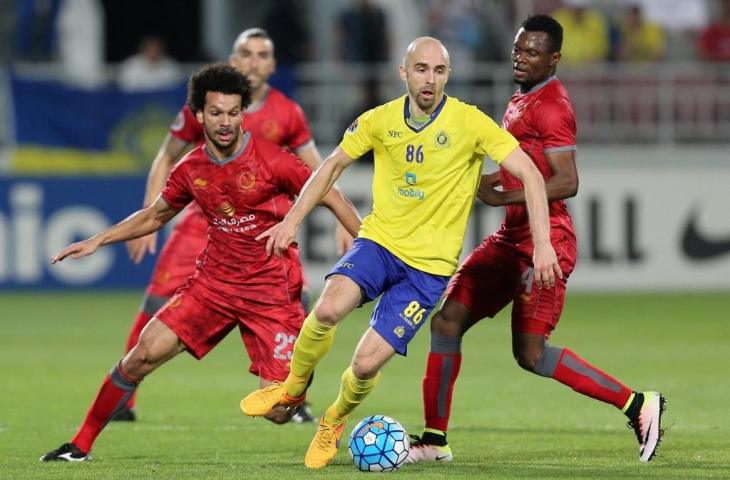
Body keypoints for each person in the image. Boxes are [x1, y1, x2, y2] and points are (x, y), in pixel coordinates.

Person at [240, 36, 562, 469]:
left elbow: (532, 176)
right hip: (380, 243)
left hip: (427, 271)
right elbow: (331, 164)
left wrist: (543, 244)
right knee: (329, 307)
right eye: (422, 69)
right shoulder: (379, 120)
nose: (430, 79)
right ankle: (293, 389)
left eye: (439, 71)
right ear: (404, 73)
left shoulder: (471, 123)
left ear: (448, 76)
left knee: (366, 362)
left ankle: (333, 420)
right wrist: (292, 221)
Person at [39, 63, 362, 462]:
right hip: (213, 286)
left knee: (280, 412)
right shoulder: (191, 169)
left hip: (271, 292)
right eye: (216, 113)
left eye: (233, 112)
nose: (225, 122)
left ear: (243, 113)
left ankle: (300, 369)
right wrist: (98, 239)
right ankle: (79, 446)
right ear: (199, 116)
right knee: (141, 354)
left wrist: (365, 251)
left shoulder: (273, 160)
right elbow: (155, 215)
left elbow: (330, 194)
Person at [404, 15, 666, 465]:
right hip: (510, 237)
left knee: (530, 353)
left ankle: (639, 405)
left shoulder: (553, 105)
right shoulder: (522, 98)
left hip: (546, 241)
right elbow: (522, 167)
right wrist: (484, 182)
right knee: (446, 322)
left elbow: (566, 181)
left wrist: (504, 192)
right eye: (518, 49)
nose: (520, 58)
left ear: (555, 58)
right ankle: (433, 441)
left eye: (532, 52)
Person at [117, 28, 353, 423]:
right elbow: (165, 156)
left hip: (261, 234)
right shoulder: (210, 102)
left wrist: (341, 220)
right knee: (157, 305)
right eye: (245, 53)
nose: (253, 62)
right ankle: (126, 399)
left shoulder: (287, 112)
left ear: (273, 65)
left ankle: (290, 391)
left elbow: (317, 170)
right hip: (199, 224)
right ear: (232, 59)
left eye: (262, 55)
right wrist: (151, 215)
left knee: (302, 299)